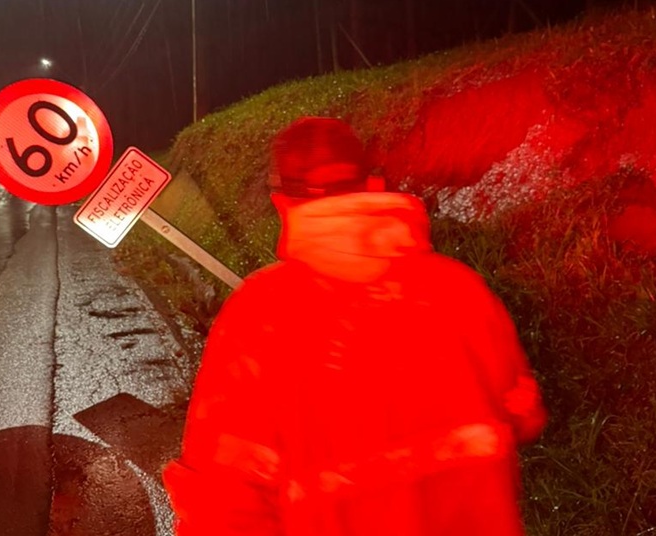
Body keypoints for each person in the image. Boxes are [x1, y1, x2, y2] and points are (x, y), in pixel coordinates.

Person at [163, 116, 547, 535]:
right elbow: (524, 415)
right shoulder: (461, 290)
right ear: (372, 184)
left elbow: (220, 501)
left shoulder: (257, 317)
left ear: (282, 203)